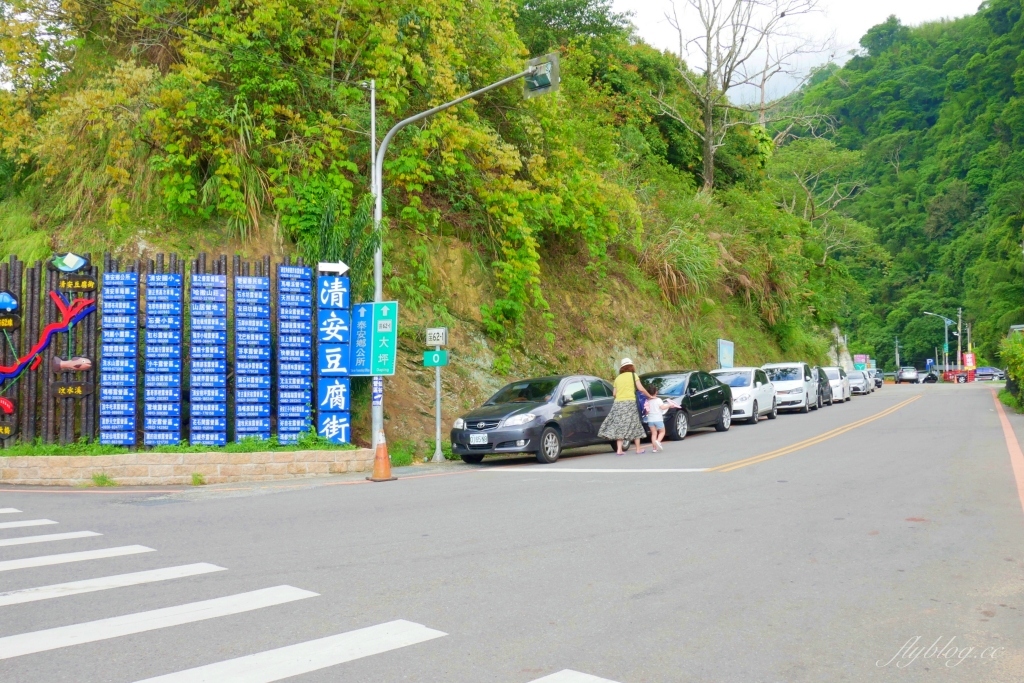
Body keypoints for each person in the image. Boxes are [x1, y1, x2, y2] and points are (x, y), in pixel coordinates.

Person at [598, 358, 654, 455]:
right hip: (630, 403)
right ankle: (638, 449)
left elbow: (614, 394)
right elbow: (640, 388)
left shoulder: (617, 378)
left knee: (620, 425)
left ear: (622, 368)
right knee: (635, 424)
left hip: (618, 404)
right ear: (631, 366)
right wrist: (649, 396)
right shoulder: (633, 375)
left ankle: (619, 450)